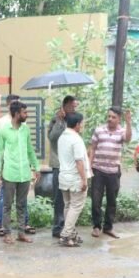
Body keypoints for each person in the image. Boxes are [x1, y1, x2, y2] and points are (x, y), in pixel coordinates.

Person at [0, 100, 39, 244]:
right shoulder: (3, 129)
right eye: (24, 112)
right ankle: (7, 233)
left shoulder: (25, 129)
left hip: (24, 174)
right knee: (7, 205)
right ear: (16, 114)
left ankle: (21, 233)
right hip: (10, 173)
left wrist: (36, 167)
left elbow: (30, 149)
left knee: (22, 204)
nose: (27, 115)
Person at [88, 106, 132, 238]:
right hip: (98, 171)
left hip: (113, 171)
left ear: (119, 119)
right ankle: (96, 226)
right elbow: (93, 148)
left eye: (113, 117)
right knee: (96, 200)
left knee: (112, 201)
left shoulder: (122, 131)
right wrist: (89, 166)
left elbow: (128, 138)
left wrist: (129, 123)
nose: (110, 119)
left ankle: (108, 227)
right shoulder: (99, 130)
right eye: (109, 116)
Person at [57, 111, 90, 248]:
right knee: (76, 207)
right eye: (81, 123)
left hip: (64, 177)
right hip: (75, 177)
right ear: (77, 124)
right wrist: (84, 180)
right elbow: (79, 161)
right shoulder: (76, 139)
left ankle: (71, 234)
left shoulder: (62, 137)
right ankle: (66, 235)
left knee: (68, 206)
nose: (82, 125)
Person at [48, 95, 78, 238]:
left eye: (75, 106)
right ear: (65, 106)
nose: (74, 109)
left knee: (71, 199)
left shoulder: (75, 120)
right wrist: (59, 121)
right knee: (59, 199)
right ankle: (58, 228)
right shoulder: (55, 120)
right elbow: (53, 138)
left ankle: (68, 227)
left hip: (72, 165)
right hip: (58, 165)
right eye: (72, 106)